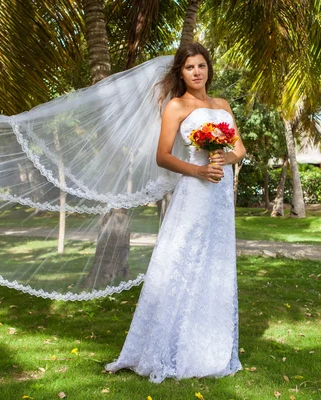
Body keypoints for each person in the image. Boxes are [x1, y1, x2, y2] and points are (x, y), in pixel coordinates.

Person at [104, 42, 246, 383]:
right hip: (195, 190)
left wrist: (226, 157)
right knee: (185, 260)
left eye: (201, 65)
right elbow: (162, 156)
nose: (197, 72)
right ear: (180, 72)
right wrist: (198, 170)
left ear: (209, 68)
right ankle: (170, 344)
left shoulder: (222, 105)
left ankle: (210, 346)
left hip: (221, 194)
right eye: (189, 67)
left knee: (216, 263)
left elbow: (239, 148)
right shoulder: (176, 106)